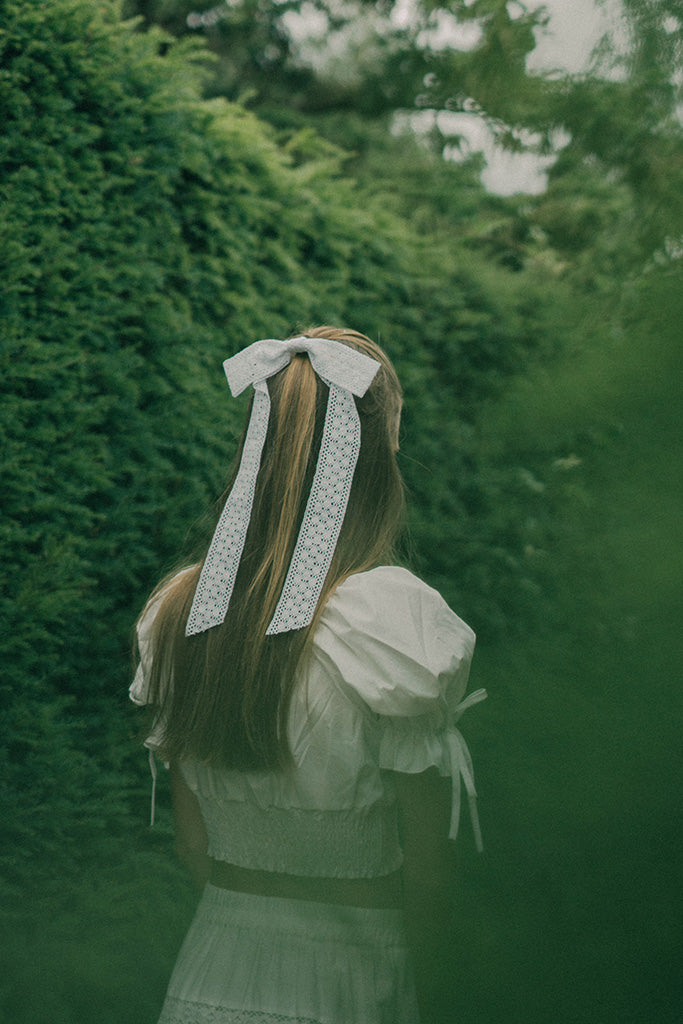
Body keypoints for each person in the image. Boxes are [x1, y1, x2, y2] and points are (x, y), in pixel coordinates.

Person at [130, 326, 486, 1024]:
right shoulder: (387, 623)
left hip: (209, 974)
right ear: (377, 461)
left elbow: (191, 844)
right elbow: (428, 882)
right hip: (350, 980)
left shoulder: (182, 610)